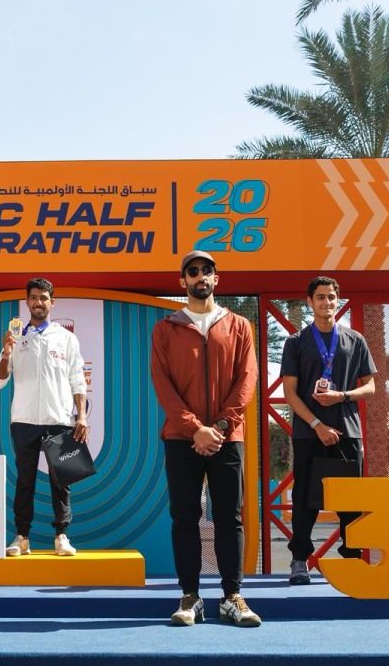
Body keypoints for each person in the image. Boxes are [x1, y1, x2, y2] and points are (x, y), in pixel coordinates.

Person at [151, 250, 261, 627]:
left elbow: (247, 380)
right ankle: (190, 596)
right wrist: (194, 428)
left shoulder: (239, 326)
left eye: (207, 271)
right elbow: (162, 384)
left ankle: (232, 597)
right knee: (185, 517)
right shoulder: (166, 328)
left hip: (227, 439)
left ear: (217, 278)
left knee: (229, 517)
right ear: (183, 281)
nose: (201, 277)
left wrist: (221, 428)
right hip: (182, 438)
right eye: (193, 271)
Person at [281, 275, 377, 585]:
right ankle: (299, 560)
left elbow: (371, 387)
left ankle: (352, 558)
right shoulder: (296, 342)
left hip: (348, 431)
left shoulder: (355, 340)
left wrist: (342, 396)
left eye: (331, 297)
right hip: (309, 433)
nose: (327, 302)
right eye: (320, 297)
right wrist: (317, 424)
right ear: (310, 302)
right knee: (305, 498)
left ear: (338, 300)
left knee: (351, 500)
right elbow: (290, 393)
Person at [0, 277, 89, 557]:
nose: (38, 302)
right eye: (33, 297)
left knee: (62, 481)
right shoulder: (15, 336)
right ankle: (22, 536)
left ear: (52, 302)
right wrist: (6, 354)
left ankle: (62, 536)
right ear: (27, 302)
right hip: (23, 421)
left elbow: (77, 380)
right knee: (25, 480)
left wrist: (81, 416)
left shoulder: (66, 338)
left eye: (43, 298)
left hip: (59, 419)